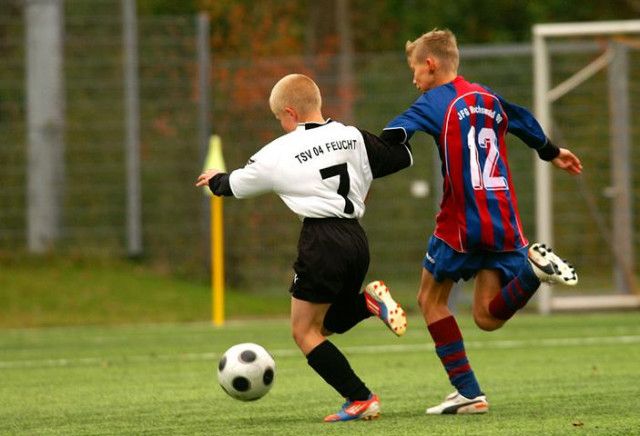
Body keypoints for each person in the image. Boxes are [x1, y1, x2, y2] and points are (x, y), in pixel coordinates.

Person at [380, 29, 582, 415]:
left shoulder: (434, 102)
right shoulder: (487, 97)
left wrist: (365, 161)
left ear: (430, 64)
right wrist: (553, 152)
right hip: (503, 218)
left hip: (460, 222)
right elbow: (523, 121)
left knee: (430, 300)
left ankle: (467, 390)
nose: (414, 80)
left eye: (414, 70)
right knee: (487, 316)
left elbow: (393, 135)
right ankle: (533, 275)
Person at [196, 74, 412, 422]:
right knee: (324, 326)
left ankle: (360, 398)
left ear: (291, 113)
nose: (280, 124)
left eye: (279, 117)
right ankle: (368, 301)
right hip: (356, 239)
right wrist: (409, 125)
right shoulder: (352, 135)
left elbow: (233, 186)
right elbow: (400, 156)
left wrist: (214, 179)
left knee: (303, 332)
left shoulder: (278, 151)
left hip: (321, 241)